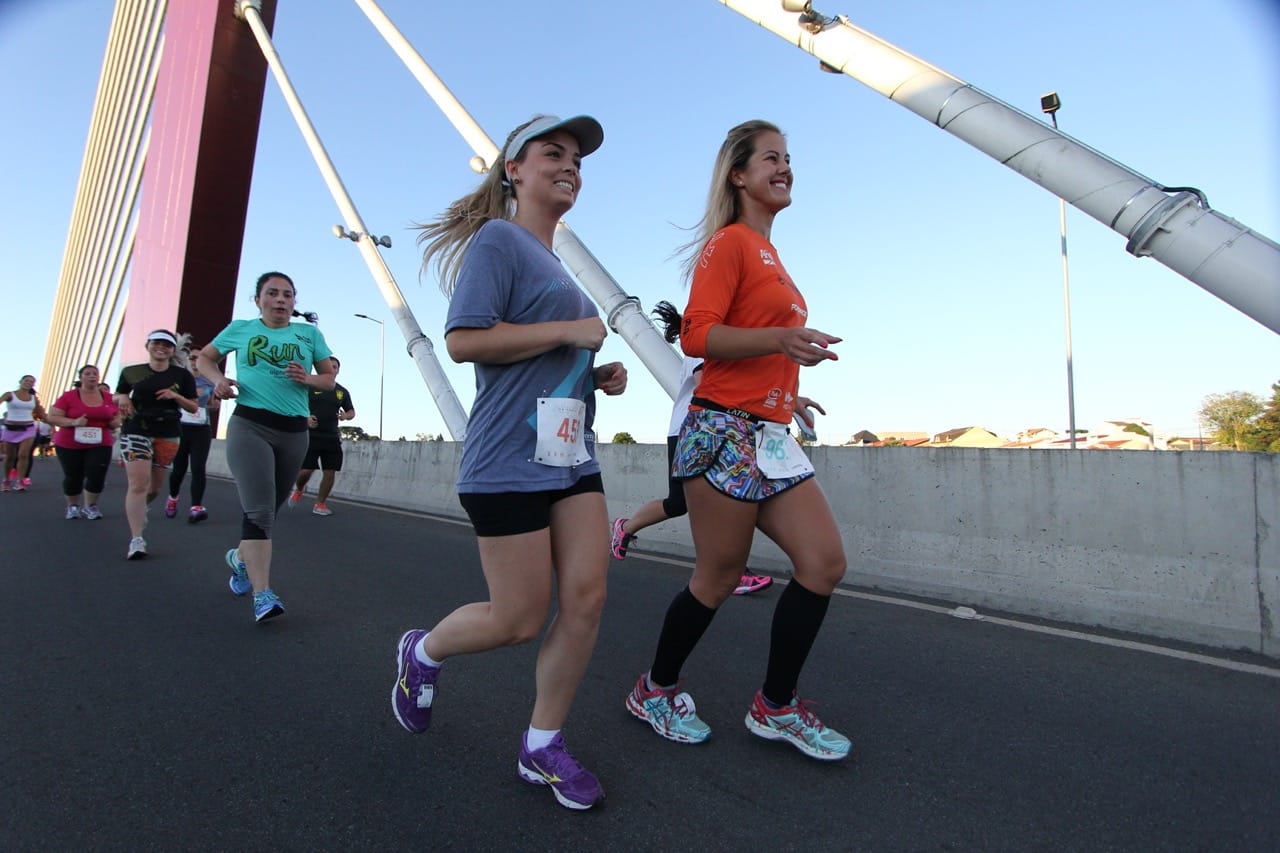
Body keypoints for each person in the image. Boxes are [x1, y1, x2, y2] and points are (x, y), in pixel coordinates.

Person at [391, 114, 625, 811]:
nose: (570, 165)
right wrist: (569, 331)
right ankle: (422, 652)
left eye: (577, 159)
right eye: (553, 153)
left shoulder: (557, 266)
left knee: (586, 597)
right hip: (505, 462)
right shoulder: (499, 240)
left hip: (569, 454)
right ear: (512, 171)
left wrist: (593, 371)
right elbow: (463, 340)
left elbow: (544, 363)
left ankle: (541, 745)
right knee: (519, 618)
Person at [625, 120, 851, 761]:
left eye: (789, 158)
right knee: (717, 576)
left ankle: (774, 707)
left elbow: (752, 346)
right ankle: (654, 689)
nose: (785, 167)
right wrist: (780, 342)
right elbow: (698, 335)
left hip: (771, 432)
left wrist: (788, 387)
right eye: (771, 158)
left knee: (823, 563)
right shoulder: (729, 243)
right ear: (739, 174)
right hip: (722, 431)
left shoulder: (770, 254)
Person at [609, 300, 776, 596]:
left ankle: (625, 528)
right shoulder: (705, 343)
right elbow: (709, 386)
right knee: (716, 501)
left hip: (719, 430)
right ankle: (732, 572)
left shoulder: (729, 343)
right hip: (694, 431)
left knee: (681, 503)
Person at [197, 271, 335, 623]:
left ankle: (239, 560)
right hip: (250, 426)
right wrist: (218, 381)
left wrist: (308, 379)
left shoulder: (309, 334)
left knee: (267, 515)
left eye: (288, 295)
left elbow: (328, 379)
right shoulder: (241, 329)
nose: (280, 300)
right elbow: (204, 358)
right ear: (258, 300)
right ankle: (263, 595)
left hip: (294, 432)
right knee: (258, 512)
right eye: (272, 293)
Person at [114, 330, 200, 559]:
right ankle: (137, 540)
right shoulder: (132, 372)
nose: (161, 347)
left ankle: (141, 509)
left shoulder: (182, 376)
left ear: (173, 350)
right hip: (136, 429)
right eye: (156, 343)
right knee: (139, 484)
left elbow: (193, 407)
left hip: (168, 431)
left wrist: (176, 397)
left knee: (153, 489)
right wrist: (121, 397)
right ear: (148, 345)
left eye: (167, 345)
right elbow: (118, 393)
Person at [46, 364, 121, 519]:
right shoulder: (68, 396)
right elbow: (52, 417)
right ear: (81, 378)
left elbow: (119, 415)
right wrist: (73, 422)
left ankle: (91, 506)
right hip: (69, 442)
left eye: (95, 373)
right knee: (74, 475)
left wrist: (116, 422)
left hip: (100, 442)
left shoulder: (109, 397)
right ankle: (72, 506)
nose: (92, 376)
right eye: (88, 373)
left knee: (97, 473)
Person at [288, 356, 355, 516]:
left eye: (335, 367)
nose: (333, 369)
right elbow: (295, 405)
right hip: (310, 435)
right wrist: (306, 418)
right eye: (330, 366)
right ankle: (299, 489)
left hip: (331, 437)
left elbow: (351, 411)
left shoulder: (342, 392)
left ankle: (320, 504)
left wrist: (346, 416)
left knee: (330, 472)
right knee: (306, 471)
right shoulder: (309, 387)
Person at [165, 337, 219, 523]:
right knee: (179, 468)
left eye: (198, 358)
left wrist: (215, 404)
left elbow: (213, 404)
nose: (195, 361)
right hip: (181, 427)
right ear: (187, 360)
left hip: (201, 428)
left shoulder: (209, 381)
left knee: (198, 467)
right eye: (192, 358)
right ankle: (173, 498)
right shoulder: (178, 380)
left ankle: (196, 506)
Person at [1, 375, 45, 492]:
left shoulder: (33, 398)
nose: (29, 383)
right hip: (11, 428)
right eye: (26, 380)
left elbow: (41, 414)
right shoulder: (9, 394)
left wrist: (56, 422)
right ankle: (6, 480)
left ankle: (20, 481)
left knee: (24, 454)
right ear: (20, 381)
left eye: (32, 382)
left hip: (28, 428)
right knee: (10, 457)